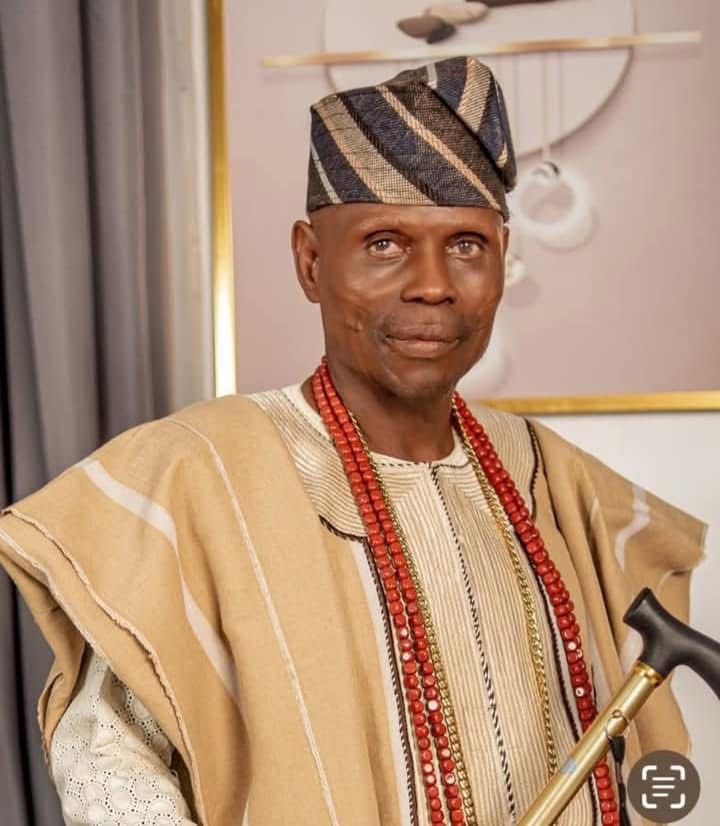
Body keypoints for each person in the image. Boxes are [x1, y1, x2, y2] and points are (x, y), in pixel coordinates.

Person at [0, 56, 706, 826]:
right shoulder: (197, 476)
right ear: (310, 261)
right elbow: (107, 760)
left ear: (503, 260)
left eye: (467, 245)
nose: (433, 284)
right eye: (385, 244)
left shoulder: (559, 483)